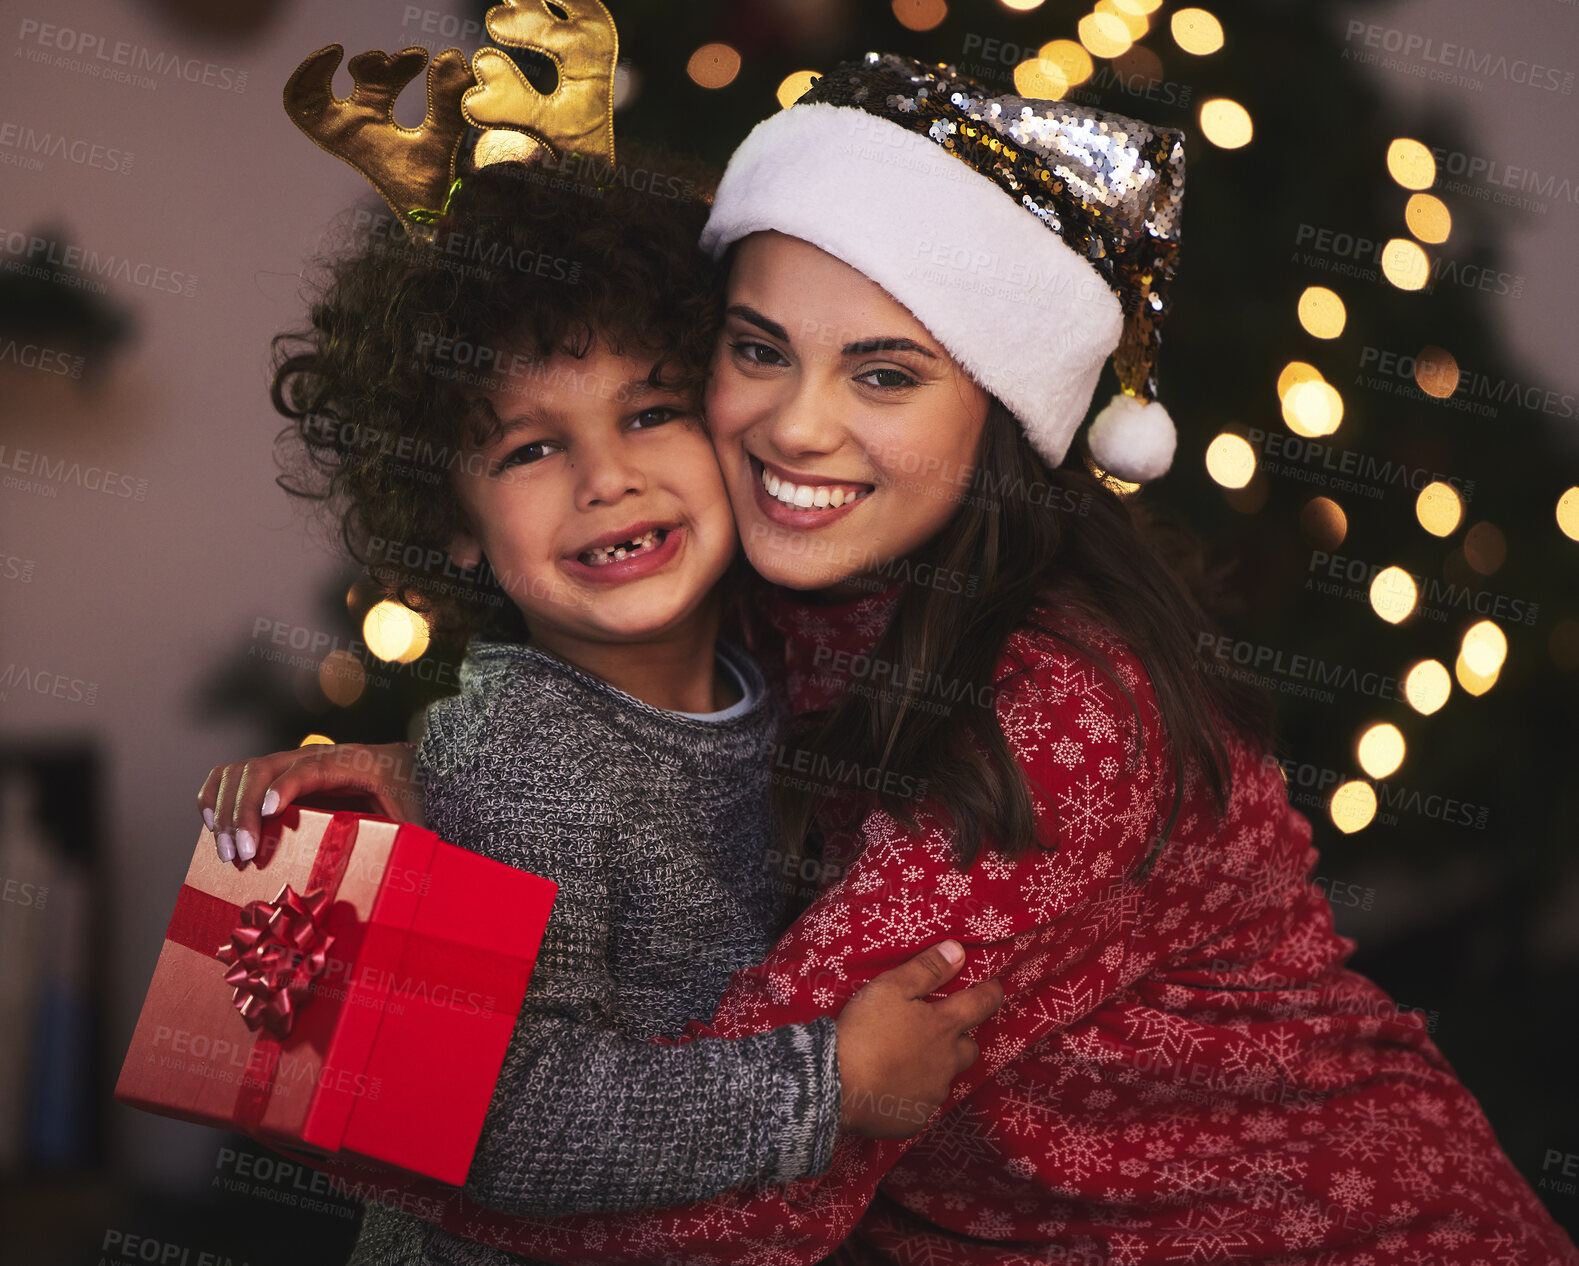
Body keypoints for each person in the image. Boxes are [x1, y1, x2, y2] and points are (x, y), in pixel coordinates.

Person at [211, 54, 1579, 1265]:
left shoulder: (1057, 716)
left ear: (998, 410)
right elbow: (631, 761)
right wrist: (434, 774)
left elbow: (756, 1203)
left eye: (883, 373)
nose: (796, 429)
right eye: (756, 351)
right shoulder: (753, 584)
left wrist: (353, 1099)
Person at [203, 149, 1003, 1262]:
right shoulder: (524, 749)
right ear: (453, 522)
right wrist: (832, 1084)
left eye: (651, 413)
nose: (606, 478)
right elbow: (495, 1116)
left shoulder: (771, 682)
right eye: (531, 446)